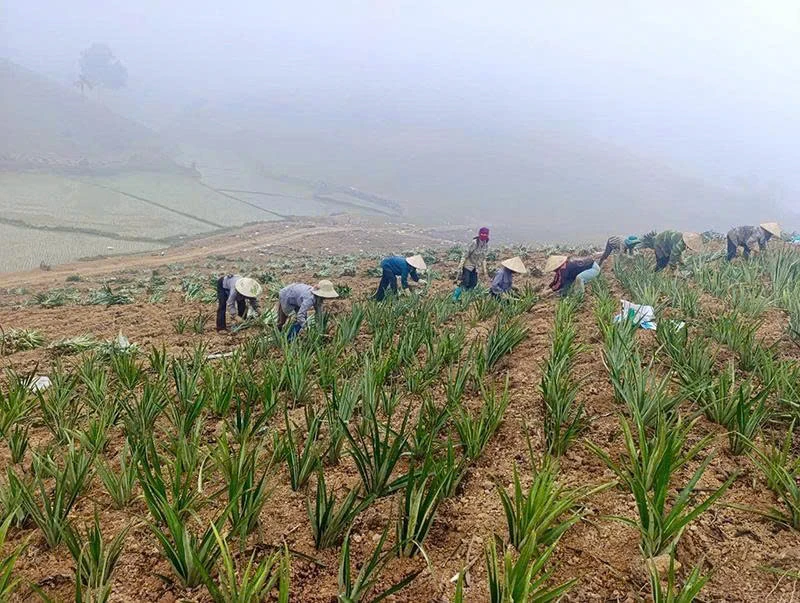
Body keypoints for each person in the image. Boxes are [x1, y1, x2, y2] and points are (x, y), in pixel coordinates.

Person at [453, 227, 490, 300]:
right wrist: (460, 266)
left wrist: (485, 271)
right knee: (465, 282)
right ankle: (455, 297)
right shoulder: (474, 243)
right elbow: (465, 254)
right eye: (482, 233)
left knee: (473, 283)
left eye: (485, 234)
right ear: (479, 234)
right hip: (468, 265)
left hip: (475, 266)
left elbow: (483, 258)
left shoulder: (485, 245)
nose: (484, 235)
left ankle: (466, 297)